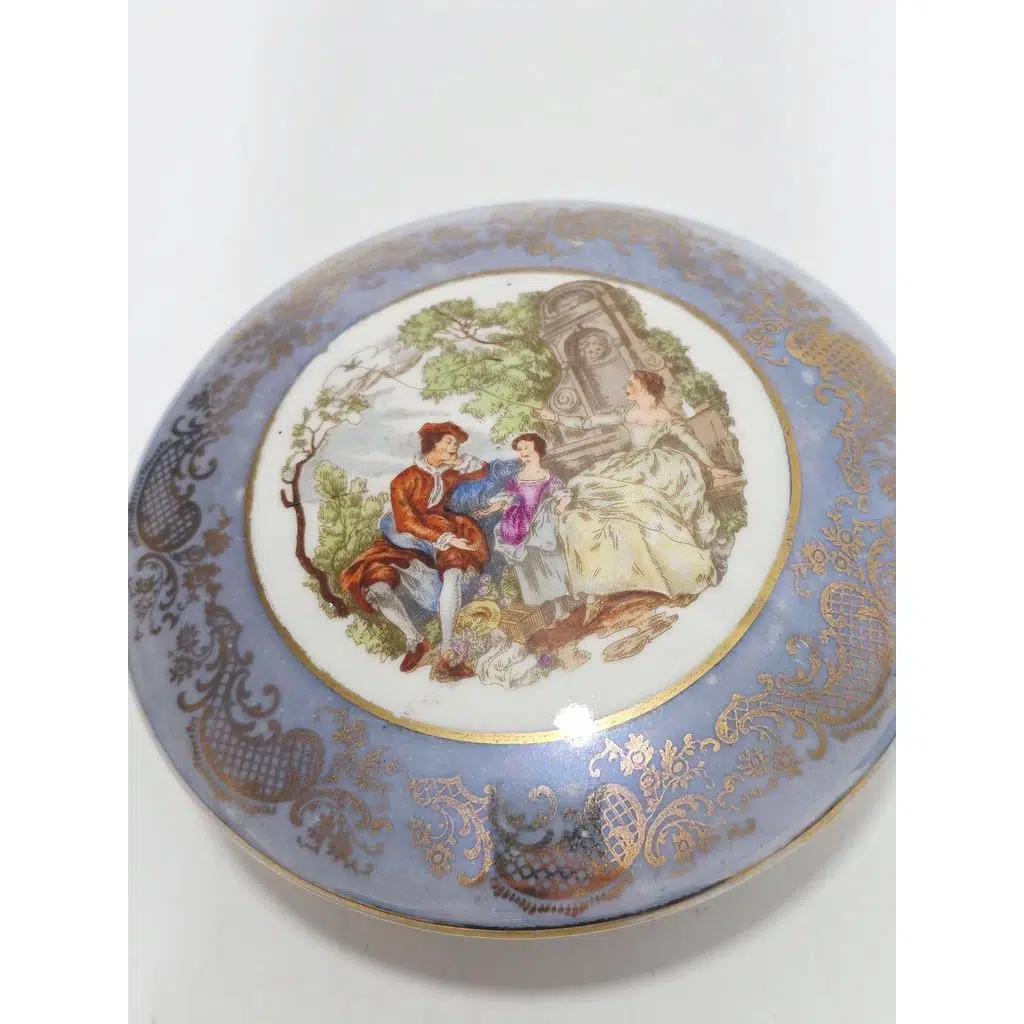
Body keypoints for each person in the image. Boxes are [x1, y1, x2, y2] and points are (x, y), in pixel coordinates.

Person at [539, 370, 737, 624]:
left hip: (655, 469)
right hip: (627, 466)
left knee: (643, 509)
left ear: (644, 388)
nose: (626, 389)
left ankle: (667, 574)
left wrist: (710, 466)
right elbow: (587, 422)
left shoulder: (666, 417)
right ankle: (604, 583)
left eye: (631, 384)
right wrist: (555, 417)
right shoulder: (627, 413)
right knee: (590, 505)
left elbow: (691, 443)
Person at [340, 421, 489, 681]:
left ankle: (447, 649)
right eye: (449, 443)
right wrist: (442, 538)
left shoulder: (450, 472)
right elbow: (405, 523)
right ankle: (415, 639)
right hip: (407, 537)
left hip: (443, 526)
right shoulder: (403, 480)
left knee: (453, 573)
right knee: (376, 585)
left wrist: (463, 464)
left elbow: (481, 471)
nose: (455, 448)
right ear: (432, 444)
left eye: (456, 444)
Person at [482, 433, 573, 618]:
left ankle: (561, 604)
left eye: (526, 448)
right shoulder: (516, 478)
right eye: (520, 449)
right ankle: (548, 606)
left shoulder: (547, 475)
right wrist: (490, 509)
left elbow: (561, 492)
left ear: (537, 450)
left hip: (542, 522)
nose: (523, 452)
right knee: (529, 566)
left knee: (549, 563)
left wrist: (562, 504)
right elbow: (506, 497)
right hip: (519, 523)